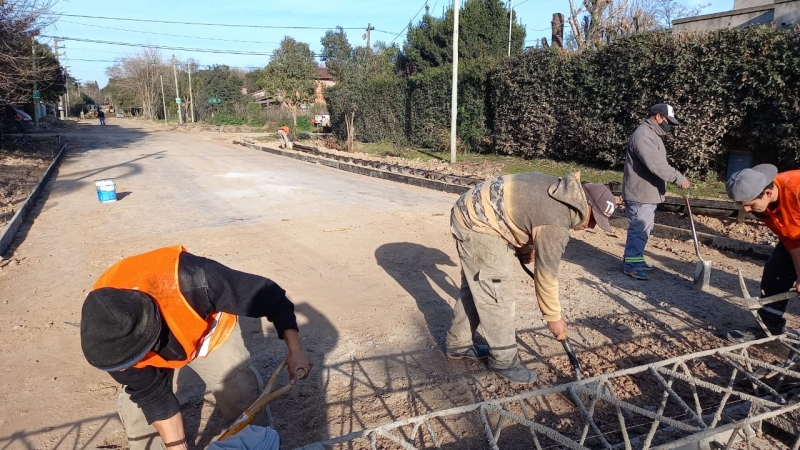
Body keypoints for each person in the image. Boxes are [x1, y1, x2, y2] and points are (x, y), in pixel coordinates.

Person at [79, 245, 313, 450]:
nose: (126, 369)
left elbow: (272, 297)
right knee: (139, 415)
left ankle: (259, 442)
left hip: (208, 334)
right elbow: (152, 395)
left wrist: (296, 350)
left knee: (239, 392)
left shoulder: (197, 280)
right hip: (143, 338)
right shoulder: (107, 339)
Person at [445, 171, 617, 383]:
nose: (591, 227)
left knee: (478, 286)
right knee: (497, 293)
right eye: (594, 219)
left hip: (471, 211)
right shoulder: (557, 222)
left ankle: (459, 345)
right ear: (586, 205)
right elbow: (546, 275)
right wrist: (553, 317)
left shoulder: (561, 190)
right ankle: (504, 361)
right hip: (478, 223)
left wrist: (523, 248)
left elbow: (523, 210)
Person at [726, 164, 800, 336]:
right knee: (776, 270)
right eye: (742, 204)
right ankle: (769, 327)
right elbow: (788, 237)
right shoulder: (763, 206)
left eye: (750, 205)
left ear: (767, 193)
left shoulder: (796, 189)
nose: (745, 210)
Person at [621, 103, 691, 280]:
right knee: (639, 229)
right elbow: (656, 164)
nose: (670, 126)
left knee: (645, 228)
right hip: (640, 194)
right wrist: (678, 178)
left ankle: (637, 258)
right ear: (658, 117)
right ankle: (632, 265)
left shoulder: (652, 134)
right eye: (668, 121)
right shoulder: (643, 136)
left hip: (646, 193)